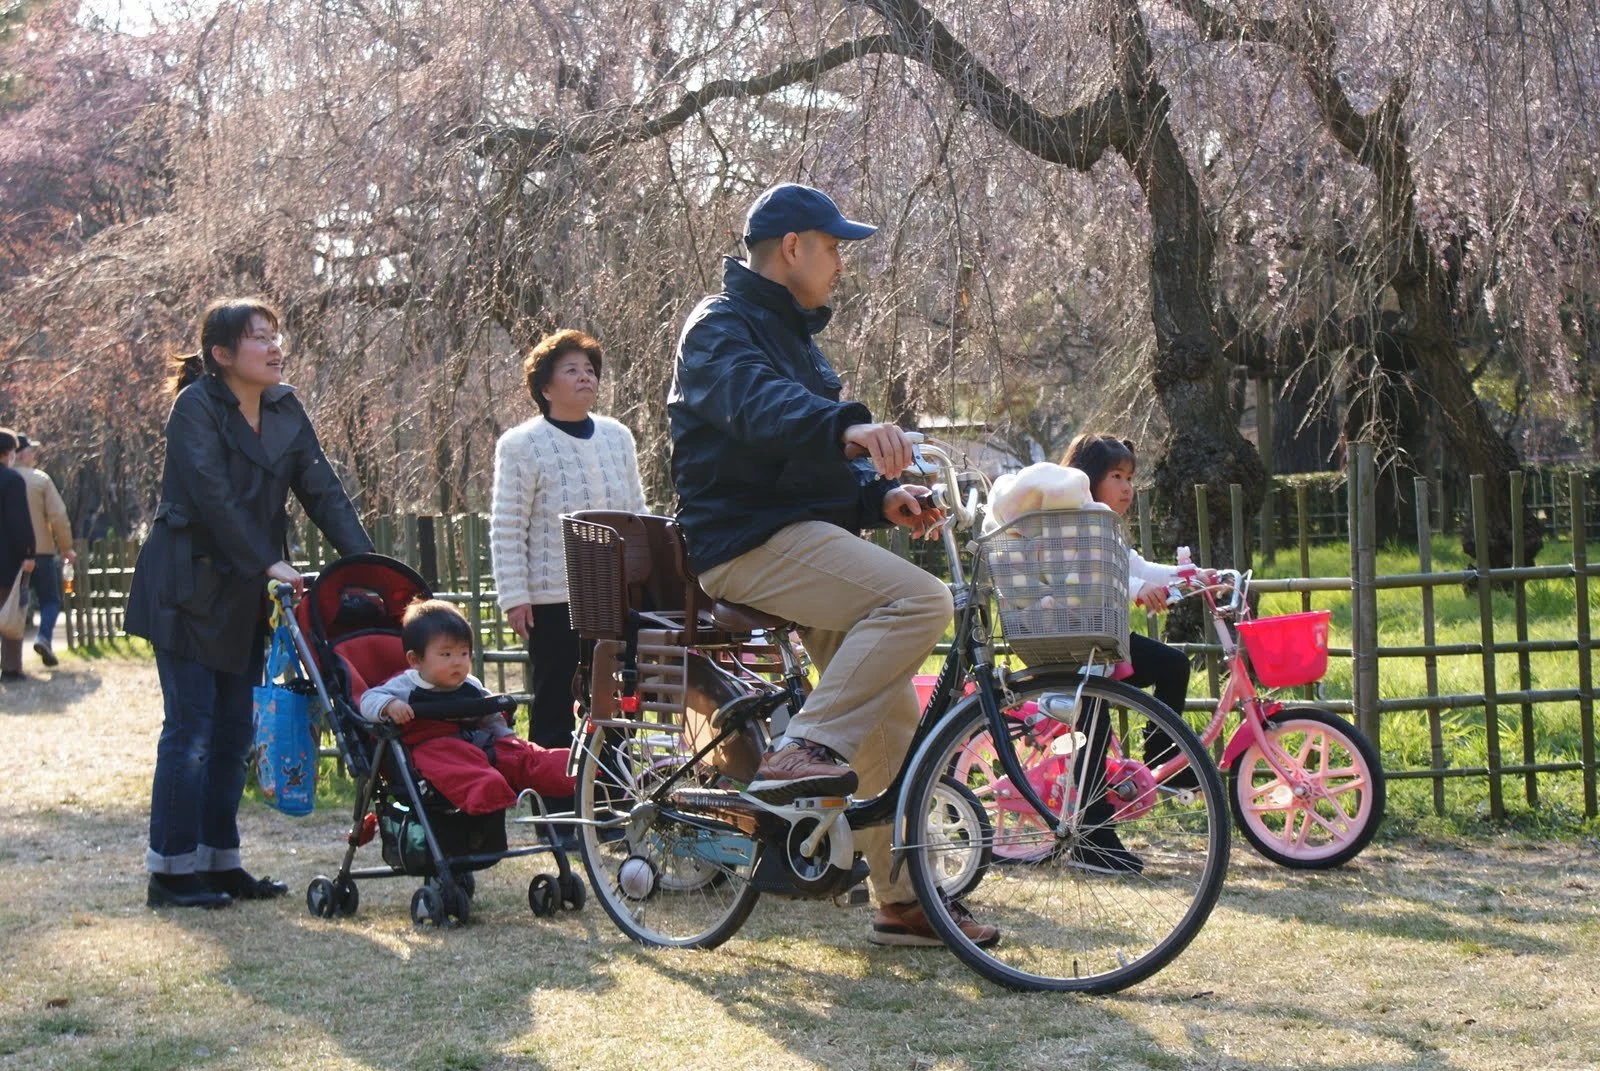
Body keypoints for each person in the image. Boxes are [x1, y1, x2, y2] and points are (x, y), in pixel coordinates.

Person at [668, 182, 997, 949]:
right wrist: (848, 426)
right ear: (793, 248)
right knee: (920, 600)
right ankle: (801, 751)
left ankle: (904, 901)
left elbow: (809, 465)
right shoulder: (718, 328)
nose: (841, 264)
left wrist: (879, 498)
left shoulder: (794, 339)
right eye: (833, 248)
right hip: (744, 543)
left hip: (795, 539)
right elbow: (762, 409)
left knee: (891, 719)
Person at [126, 298, 374, 909]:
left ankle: (219, 860)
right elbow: (214, 498)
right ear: (222, 354)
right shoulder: (196, 407)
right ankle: (171, 872)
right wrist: (269, 561)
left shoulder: (285, 408)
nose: (273, 346)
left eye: (275, 335)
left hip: (241, 593)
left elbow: (324, 492)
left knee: (235, 734)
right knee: (192, 730)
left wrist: (369, 569)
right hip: (185, 586)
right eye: (258, 337)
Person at [489, 329, 645, 821]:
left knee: (617, 701)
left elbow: (638, 513)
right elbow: (507, 524)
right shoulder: (521, 445)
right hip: (552, 598)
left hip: (616, 596)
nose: (585, 378)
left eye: (590, 369)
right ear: (545, 386)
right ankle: (555, 812)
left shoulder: (618, 437)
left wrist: (645, 580)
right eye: (572, 370)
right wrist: (515, 595)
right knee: (556, 700)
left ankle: (614, 806)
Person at [1061, 432, 1205, 874]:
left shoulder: (1106, 527)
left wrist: (1193, 576)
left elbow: (1135, 567)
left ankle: (1163, 760)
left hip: (1102, 640)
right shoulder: (1077, 521)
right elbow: (1088, 574)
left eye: (1129, 478)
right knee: (1093, 727)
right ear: (1088, 479)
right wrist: (1140, 588)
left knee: (1173, 665)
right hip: (1074, 641)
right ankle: (1092, 839)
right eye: (1116, 477)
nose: (1127, 488)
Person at [358, 600, 576, 813]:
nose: (457, 662)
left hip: (478, 744)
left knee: (521, 755)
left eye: (464, 653)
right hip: (433, 748)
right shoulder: (405, 686)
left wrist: (507, 738)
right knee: (458, 765)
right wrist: (390, 705)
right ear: (416, 660)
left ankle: (577, 770)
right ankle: (488, 789)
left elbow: (490, 714)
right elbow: (368, 699)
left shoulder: (471, 685)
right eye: (446, 654)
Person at [14, 435, 76, 668]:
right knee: (50, 600)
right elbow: (58, 515)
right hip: (42, 552)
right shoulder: (40, 480)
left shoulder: (5, 479)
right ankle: (43, 637)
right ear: (21, 454)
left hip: (11, 555)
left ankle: (11, 658)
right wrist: (66, 547)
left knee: (13, 604)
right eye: (31, 451)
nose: (34, 455)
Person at [0, 428, 35, 682]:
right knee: (10, 611)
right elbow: (19, 521)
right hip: (7, 559)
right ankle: (11, 667)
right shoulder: (12, 480)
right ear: (7, 453)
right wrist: (29, 552)